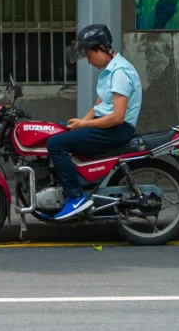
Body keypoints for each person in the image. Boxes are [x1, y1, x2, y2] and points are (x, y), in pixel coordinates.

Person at [47, 23, 143, 222]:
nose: (89, 62)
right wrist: (80, 122)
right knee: (57, 134)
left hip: (117, 129)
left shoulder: (120, 74)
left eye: (90, 56)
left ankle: (75, 197)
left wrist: (84, 126)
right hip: (108, 126)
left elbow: (117, 117)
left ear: (102, 49)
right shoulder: (108, 71)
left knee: (55, 144)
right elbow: (99, 106)